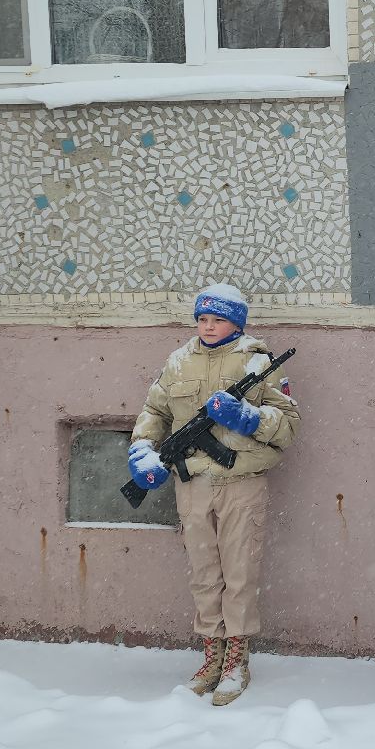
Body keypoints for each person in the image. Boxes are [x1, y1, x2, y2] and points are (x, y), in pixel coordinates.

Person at [128, 284, 301, 706]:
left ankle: (237, 659)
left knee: (239, 572)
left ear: (236, 322)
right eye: (202, 319)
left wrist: (247, 417)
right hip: (192, 484)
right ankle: (212, 655)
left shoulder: (258, 361)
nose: (208, 326)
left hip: (241, 482)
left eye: (218, 319)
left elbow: (288, 423)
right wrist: (144, 452)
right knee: (204, 573)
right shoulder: (178, 361)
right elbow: (155, 412)